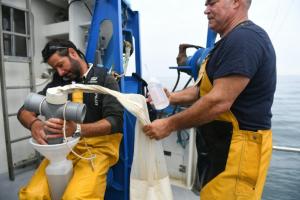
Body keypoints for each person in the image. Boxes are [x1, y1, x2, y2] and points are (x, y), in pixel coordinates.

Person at [143, 0, 276, 199]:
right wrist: (172, 97)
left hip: (238, 151)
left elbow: (218, 101)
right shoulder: (223, 44)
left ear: (235, 2)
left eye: (212, 3)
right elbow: (201, 90)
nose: (206, 10)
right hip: (219, 148)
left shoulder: (245, 39)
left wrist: (169, 124)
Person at [17, 39, 124, 199]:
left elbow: (115, 121)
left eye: (60, 65)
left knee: (77, 197)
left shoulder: (104, 79)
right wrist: (34, 124)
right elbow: (23, 111)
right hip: (64, 148)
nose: (59, 73)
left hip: (97, 149)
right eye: (55, 68)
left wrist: (78, 129)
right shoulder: (58, 84)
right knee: (32, 194)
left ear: (72, 53)